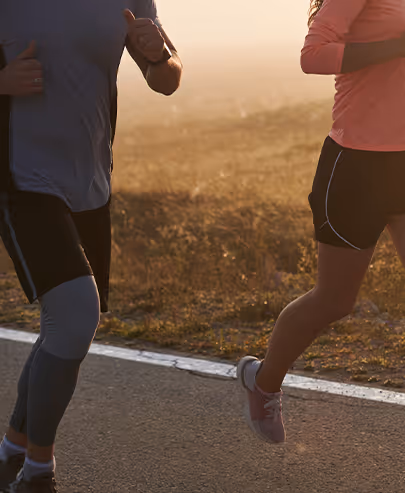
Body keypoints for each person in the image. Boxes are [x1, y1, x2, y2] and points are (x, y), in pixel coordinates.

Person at [236, 0, 405, 486]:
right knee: (335, 299)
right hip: (356, 168)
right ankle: (263, 381)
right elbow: (314, 55)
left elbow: (388, 64)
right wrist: (397, 48)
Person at [0, 3, 182, 491]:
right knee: (77, 313)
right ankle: (39, 471)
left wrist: (159, 55)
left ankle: (12, 449)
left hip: (89, 180)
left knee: (65, 323)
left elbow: (167, 78)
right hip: (19, 178)